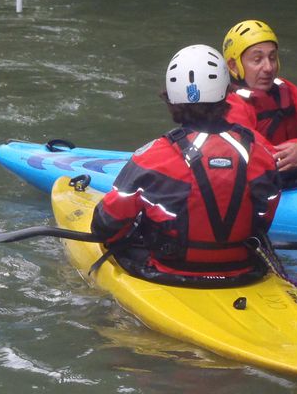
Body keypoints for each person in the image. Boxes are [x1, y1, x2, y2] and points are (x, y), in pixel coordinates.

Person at [90, 44, 281, 287]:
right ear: (227, 93)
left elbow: (105, 226)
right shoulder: (260, 152)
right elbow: (264, 218)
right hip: (241, 272)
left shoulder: (152, 157)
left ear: (172, 99)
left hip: (170, 272)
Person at [222, 19, 297, 172]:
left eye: (272, 58)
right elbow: (259, 160)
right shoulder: (229, 105)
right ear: (233, 65)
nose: (268, 67)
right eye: (257, 60)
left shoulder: (289, 92)